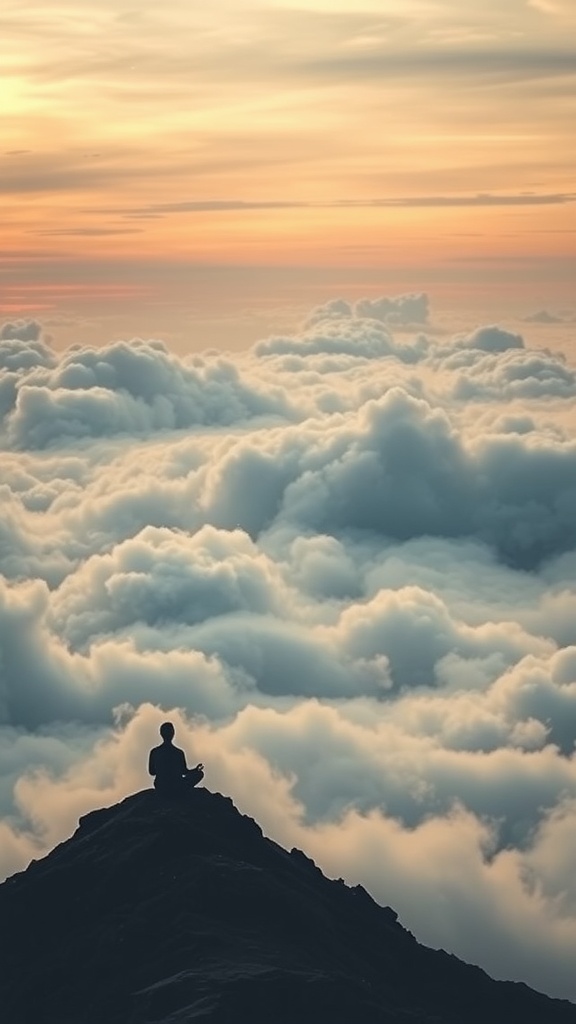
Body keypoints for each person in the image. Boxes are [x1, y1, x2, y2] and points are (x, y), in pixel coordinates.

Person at [148, 721, 204, 796]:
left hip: (161, 786)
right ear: (173, 734)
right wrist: (195, 770)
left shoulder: (154, 752)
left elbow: (152, 772)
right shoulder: (178, 752)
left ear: (161, 734)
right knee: (199, 774)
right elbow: (184, 771)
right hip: (177, 786)